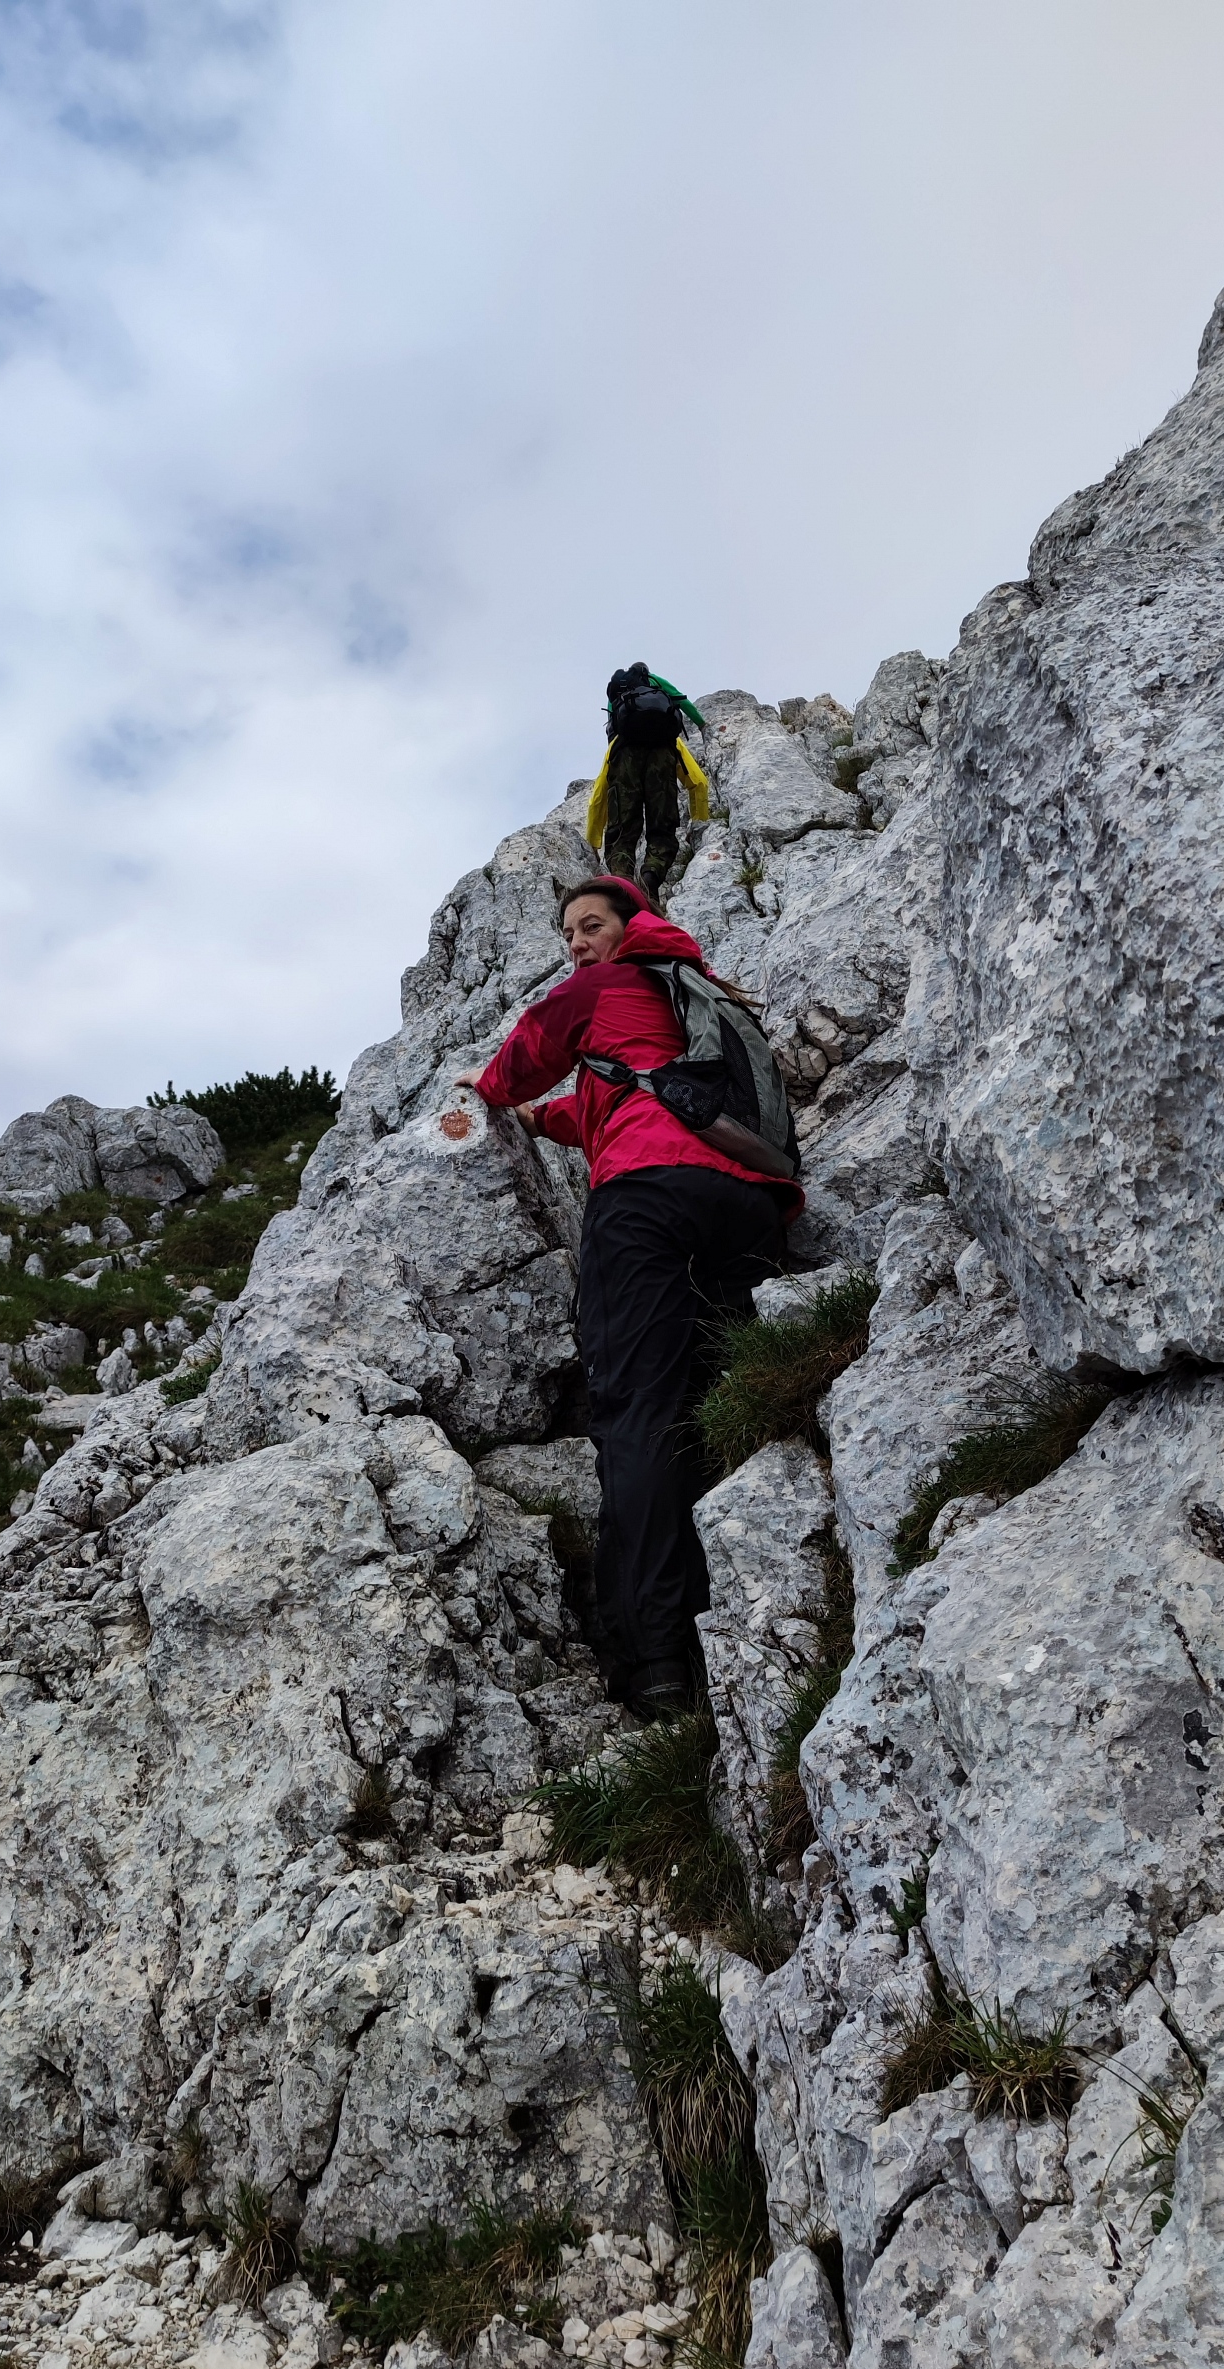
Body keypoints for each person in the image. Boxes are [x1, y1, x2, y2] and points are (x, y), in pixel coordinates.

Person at [457, 875, 802, 1723]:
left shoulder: (603, 987)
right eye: (568, 934)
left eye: (590, 926)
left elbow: (531, 1049)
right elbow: (629, 1095)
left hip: (648, 1203)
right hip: (749, 1208)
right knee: (730, 1399)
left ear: (632, 926)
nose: (576, 944)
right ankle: (770, 1614)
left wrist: (489, 1089)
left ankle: (658, 1661)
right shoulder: (692, 998)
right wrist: (550, 1123)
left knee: (641, 1409)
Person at [585, 665, 710, 900]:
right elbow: (698, 782)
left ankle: (623, 885)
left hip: (623, 754)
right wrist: (701, 824)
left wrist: (592, 841)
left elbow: (599, 795)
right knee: (661, 827)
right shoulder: (657, 683)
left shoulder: (617, 727)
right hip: (663, 752)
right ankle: (651, 876)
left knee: (622, 830)